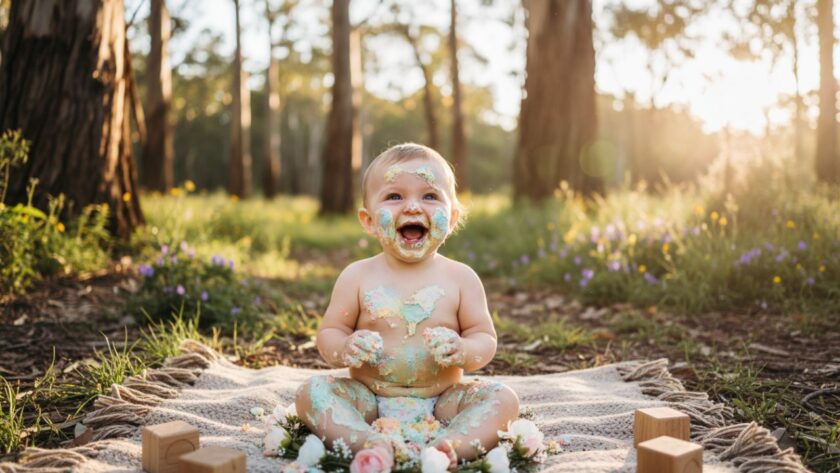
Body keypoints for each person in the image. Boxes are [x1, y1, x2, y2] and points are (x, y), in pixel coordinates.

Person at [295, 143, 519, 468]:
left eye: (430, 196)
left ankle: (449, 447)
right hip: (368, 398)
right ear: (369, 220)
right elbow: (330, 332)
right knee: (311, 392)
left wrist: (463, 349)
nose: (413, 206)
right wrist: (345, 347)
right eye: (394, 196)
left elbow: (484, 338)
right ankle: (369, 443)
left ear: (452, 217)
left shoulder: (461, 278)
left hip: (444, 400)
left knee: (503, 399)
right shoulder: (356, 276)